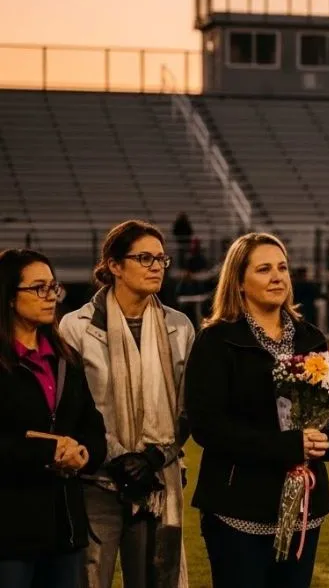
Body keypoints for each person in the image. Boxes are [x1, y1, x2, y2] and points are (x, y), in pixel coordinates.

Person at [185, 232, 329, 587]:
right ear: (239, 281)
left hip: (306, 508)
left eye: (282, 267)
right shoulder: (216, 340)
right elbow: (207, 427)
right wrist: (290, 446)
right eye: (264, 269)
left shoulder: (311, 337)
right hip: (238, 506)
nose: (277, 277)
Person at [59, 220, 194, 588]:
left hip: (156, 479)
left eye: (161, 259)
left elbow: (187, 408)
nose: (155, 266)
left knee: (156, 579)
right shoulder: (75, 327)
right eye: (144, 257)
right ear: (114, 265)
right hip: (95, 480)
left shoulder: (180, 326)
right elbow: (70, 408)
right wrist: (114, 458)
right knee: (90, 578)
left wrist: (152, 458)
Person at [0, 250, 106, 588]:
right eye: (37, 288)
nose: (50, 297)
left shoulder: (65, 359)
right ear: (9, 297)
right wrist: (50, 454)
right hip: (9, 532)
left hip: (65, 528)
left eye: (52, 287)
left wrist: (84, 454)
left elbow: (93, 429)